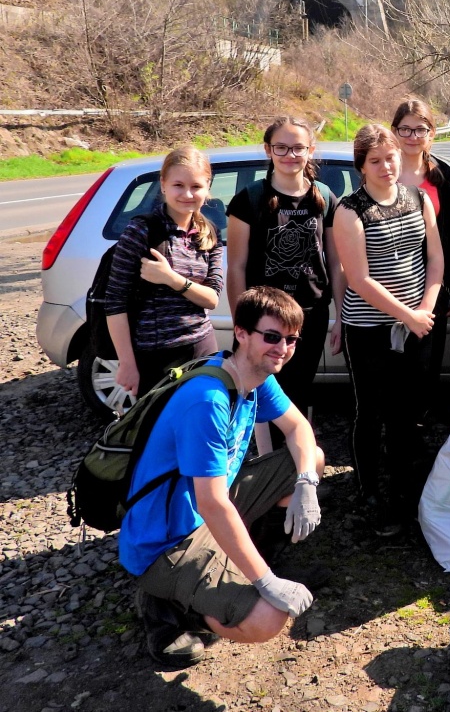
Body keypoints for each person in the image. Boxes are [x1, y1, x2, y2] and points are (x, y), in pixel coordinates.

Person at [120, 286, 326, 667]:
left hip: (207, 510)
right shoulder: (209, 400)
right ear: (241, 333)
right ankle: (168, 608)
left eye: (291, 339)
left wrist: (306, 484)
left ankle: (245, 563)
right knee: (268, 617)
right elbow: (212, 504)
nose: (282, 348)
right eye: (272, 336)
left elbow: (298, 428)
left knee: (309, 460)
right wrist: (266, 583)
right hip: (167, 541)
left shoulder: (255, 375)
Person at [333, 124, 443, 537]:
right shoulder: (349, 211)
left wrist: (425, 309)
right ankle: (368, 493)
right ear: (361, 166)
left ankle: (403, 493)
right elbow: (359, 279)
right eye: (375, 160)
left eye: (391, 157)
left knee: (406, 414)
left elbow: (435, 259)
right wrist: (407, 315)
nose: (386, 167)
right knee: (370, 412)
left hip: (416, 325)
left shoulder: (418, 198)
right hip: (369, 329)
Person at [226, 116, 345, 449]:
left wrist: (341, 317)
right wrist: (242, 323)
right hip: (263, 319)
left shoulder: (325, 198)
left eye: (298, 148)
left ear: (310, 150)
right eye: (281, 147)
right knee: (261, 394)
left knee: (298, 392)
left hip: (310, 316)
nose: (290, 155)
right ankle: (267, 465)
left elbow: (335, 264)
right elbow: (236, 267)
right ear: (268, 150)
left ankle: (293, 466)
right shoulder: (249, 199)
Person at [106, 147, 223, 398]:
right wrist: (127, 363)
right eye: (178, 185)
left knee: (203, 419)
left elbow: (212, 299)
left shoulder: (210, 234)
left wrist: (171, 279)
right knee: (159, 423)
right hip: (155, 356)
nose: (187, 194)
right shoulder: (141, 231)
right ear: (163, 185)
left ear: (207, 187)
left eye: (196, 186)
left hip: (203, 347)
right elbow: (115, 302)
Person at [391, 99, 450, 389]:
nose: (412, 137)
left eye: (420, 130)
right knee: (393, 373)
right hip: (390, 285)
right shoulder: (383, 173)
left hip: (432, 289)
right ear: (394, 131)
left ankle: (421, 417)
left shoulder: (442, 179)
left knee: (426, 371)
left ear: (431, 133)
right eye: (405, 129)